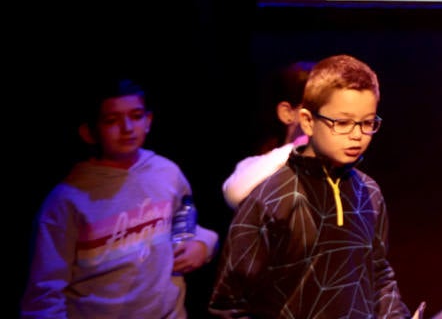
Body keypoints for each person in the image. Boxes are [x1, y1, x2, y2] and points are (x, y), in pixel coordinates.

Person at [208, 54, 413, 319]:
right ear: (307, 120)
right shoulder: (270, 200)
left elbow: (378, 272)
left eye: (367, 122)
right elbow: (229, 304)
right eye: (342, 122)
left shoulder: (369, 192)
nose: (357, 134)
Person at [21, 76, 220, 317]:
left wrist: (204, 243)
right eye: (111, 120)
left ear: (148, 120)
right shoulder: (66, 201)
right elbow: (44, 292)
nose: (127, 128)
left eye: (136, 116)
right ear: (89, 132)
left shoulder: (167, 172)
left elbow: (184, 226)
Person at [221, 59, 315, 208]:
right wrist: (297, 147)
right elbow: (235, 193)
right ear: (287, 113)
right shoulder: (252, 165)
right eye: (315, 108)